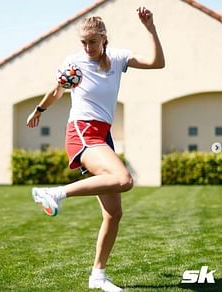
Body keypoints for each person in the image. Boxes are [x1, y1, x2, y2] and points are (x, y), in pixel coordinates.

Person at [27, 7, 164, 292]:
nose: (87, 47)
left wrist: (150, 28)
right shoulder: (74, 63)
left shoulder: (118, 58)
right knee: (125, 179)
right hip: (81, 131)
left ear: (103, 39)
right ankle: (54, 193)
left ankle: (97, 277)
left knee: (113, 214)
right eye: (83, 42)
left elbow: (156, 63)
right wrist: (39, 109)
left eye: (92, 41)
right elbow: (57, 90)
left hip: (103, 134)